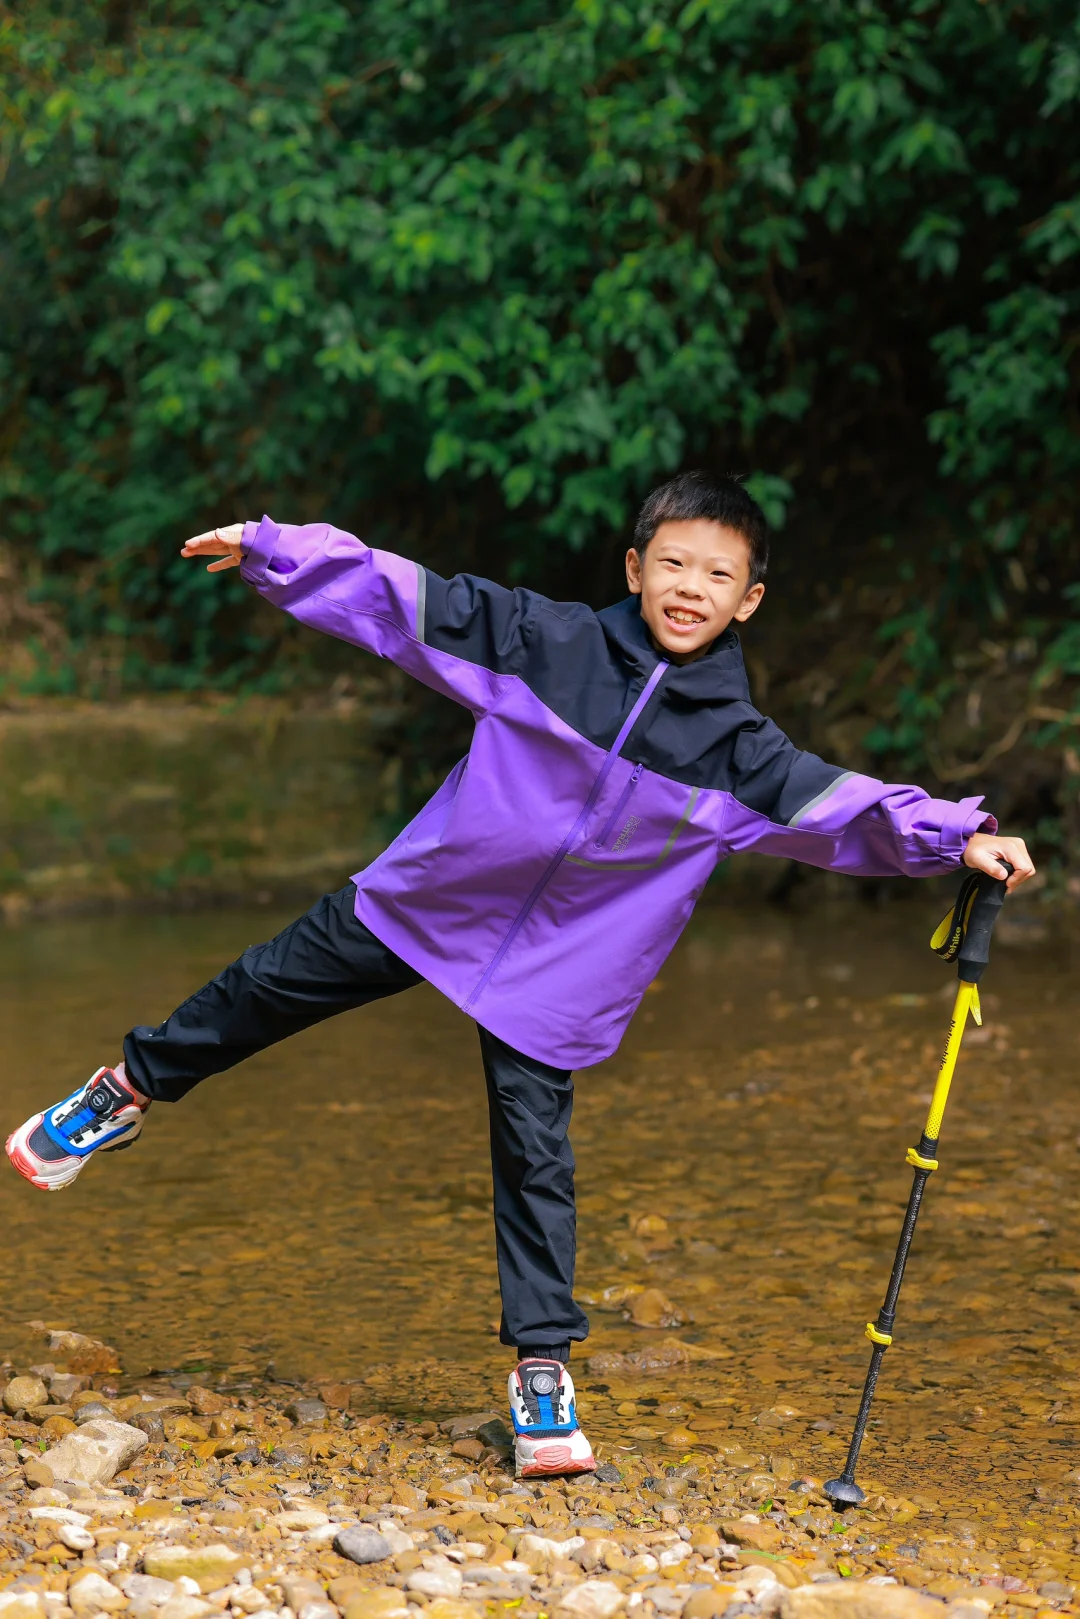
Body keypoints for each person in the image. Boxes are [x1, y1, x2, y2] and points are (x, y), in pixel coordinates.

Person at [6, 472, 1035, 1478]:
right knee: (262, 985)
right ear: (635, 568)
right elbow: (413, 602)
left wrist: (962, 839)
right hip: (438, 892)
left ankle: (542, 1368)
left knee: (534, 1156)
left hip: (565, 964)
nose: (690, 587)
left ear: (748, 599)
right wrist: (279, 548)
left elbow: (847, 806)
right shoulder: (549, 644)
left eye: (716, 574)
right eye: (672, 561)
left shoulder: (738, 750)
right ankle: (124, 1091)